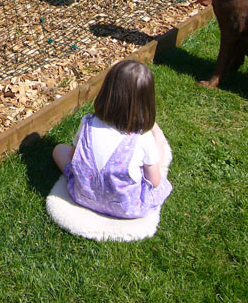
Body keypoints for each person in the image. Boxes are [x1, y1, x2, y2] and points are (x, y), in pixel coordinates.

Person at [52, 60, 172, 219]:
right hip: (126, 208)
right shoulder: (142, 138)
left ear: (107, 92)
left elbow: (74, 156)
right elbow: (155, 182)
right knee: (156, 155)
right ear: (145, 103)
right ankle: (159, 136)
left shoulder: (88, 123)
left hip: (83, 196)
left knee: (59, 150)